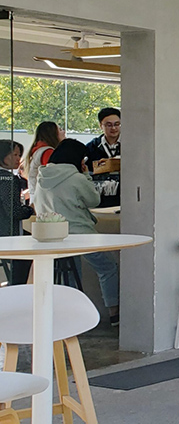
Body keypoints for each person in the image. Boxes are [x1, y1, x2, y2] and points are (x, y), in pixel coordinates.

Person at [34, 139, 121, 325]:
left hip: (53, 235)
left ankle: (69, 315)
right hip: (81, 235)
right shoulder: (76, 178)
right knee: (107, 268)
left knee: (72, 273)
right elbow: (94, 199)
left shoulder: (42, 177)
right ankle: (114, 312)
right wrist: (86, 175)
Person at [0, 140, 35, 286]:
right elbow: (14, 211)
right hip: (7, 234)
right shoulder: (8, 179)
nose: (18, 159)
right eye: (14, 154)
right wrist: (30, 209)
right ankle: (16, 289)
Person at [85, 107, 121, 207]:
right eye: (109, 125)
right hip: (100, 200)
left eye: (117, 124)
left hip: (124, 198)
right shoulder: (91, 147)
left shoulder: (130, 145)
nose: (113, 128)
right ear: (101, 125)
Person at [22, 121, 65, 198]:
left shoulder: (37, 151)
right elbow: (53, 176)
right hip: (44, 200)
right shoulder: (48, 152)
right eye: (60, 129)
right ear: (53, 134)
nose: (64, 132)